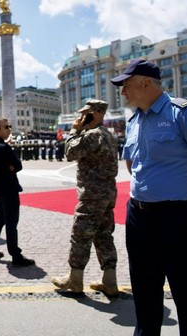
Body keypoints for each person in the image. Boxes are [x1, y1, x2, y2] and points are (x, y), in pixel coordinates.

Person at [112, 58, 187, 335]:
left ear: (146, 83)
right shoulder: (135, 119)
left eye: (126, 85)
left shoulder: (183, 112)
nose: (122, 92)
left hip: (176, 216)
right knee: (144, 288)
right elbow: (132, 162)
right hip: (138, 215)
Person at [50, 99, 119, 296]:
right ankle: (110, 280)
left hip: (92, 195)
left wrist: (74, 131)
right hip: (107, 193)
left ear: (95, 113)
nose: (81, 117)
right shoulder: (108, 134)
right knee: (104, 235)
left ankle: (75, 280)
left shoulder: (93, 135)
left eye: (85, 114)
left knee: (81, 235)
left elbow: (71, 152)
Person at [0, 118, 35, 267]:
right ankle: (16, 255)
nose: (9, 129)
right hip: (9, 188)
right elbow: (18, 165)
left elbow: (14, 166)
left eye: (9, 126)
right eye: (6, 127)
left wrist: (11, 166)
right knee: (11, 222)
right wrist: (11, 167)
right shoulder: (3, 147)